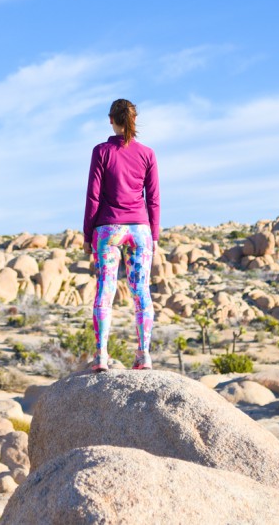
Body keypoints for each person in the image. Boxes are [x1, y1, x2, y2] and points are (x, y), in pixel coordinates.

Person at [82, 98, 160, 372]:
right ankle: (143, 355)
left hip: (109, 229)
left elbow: (93, 195)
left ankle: (101, 355)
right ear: (134, 121)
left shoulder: (101, 151)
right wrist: (156, 235)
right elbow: (153, 198)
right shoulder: (147, 154)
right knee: (141, 291)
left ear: (110, 120)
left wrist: (87, 232)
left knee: (106, 289)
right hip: (140, 230)